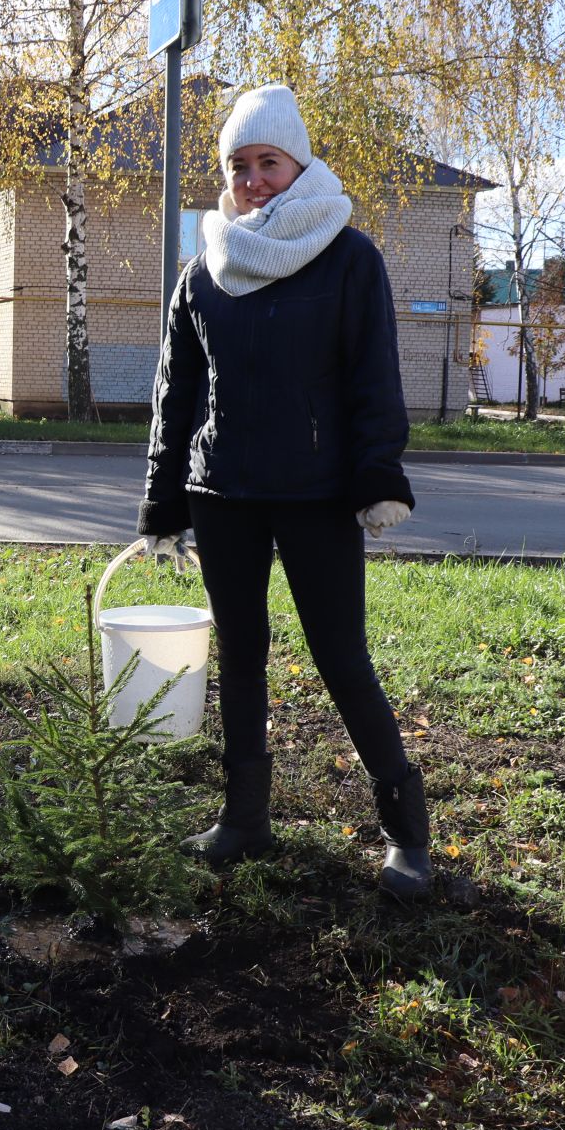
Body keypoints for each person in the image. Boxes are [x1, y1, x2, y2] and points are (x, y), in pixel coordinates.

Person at [138, 84, 431, 901]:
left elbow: (374, 376)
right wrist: (163, 499)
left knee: (341, 658)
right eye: (239, 165)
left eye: (268, 162)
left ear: (299, 165)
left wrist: (378, 476)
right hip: (222, 490)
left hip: (317, 493)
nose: (253, 179)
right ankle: (244, 818)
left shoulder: (348, 256)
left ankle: (407, 833)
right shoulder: (203, 271)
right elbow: (175, 395)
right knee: (242, 657)